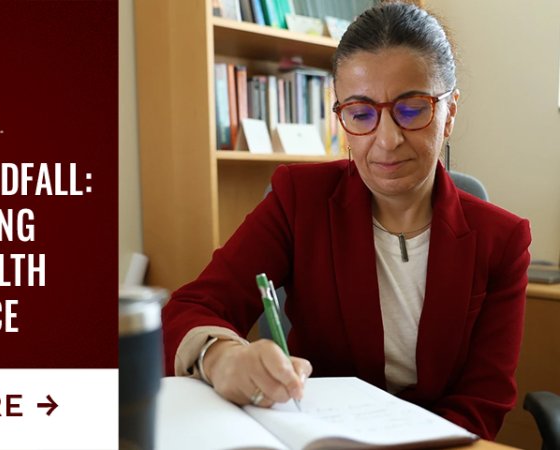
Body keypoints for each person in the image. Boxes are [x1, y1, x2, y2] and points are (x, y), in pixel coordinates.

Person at [161, 1, 531, 441]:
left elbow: (482, 403)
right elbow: (192, 307)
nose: (387, 140)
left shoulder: (502, 240)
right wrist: (221, 357)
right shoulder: (299, 200)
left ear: (449, 113)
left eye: (412, 109)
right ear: (340, 118)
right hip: (316, 439)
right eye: (360, 114)